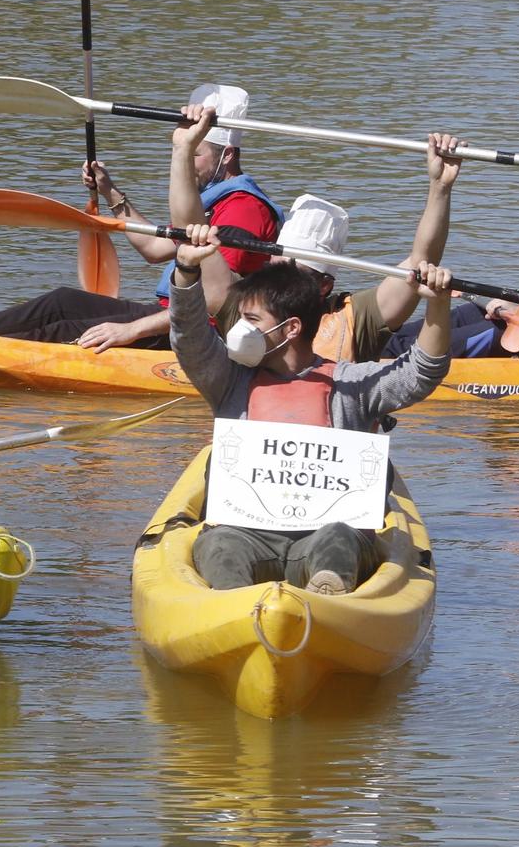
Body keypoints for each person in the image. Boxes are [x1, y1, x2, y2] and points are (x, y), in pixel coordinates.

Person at [168, 221, 452, 594]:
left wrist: (438, 304)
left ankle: (326, 598)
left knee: (338, 538)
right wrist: (187, 269)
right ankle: (233, 610)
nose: (238, 329)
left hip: (324, 540)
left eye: (251, 320)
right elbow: (189, 337)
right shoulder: (228, 379)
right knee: (218, 544)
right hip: (247, 536)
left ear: (291, 329)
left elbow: (420, 373)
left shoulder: (351, 383)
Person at [0, 84, 283, 350]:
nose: (185, 160)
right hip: (171, 316)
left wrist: (128, 330)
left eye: (194, 151)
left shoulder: (244, 208)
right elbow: (154, 248)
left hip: (197, 335)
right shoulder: (212, 197)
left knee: (64, 329)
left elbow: (215, 302)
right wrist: (111, 191)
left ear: (227, 155)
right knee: (62, 300)